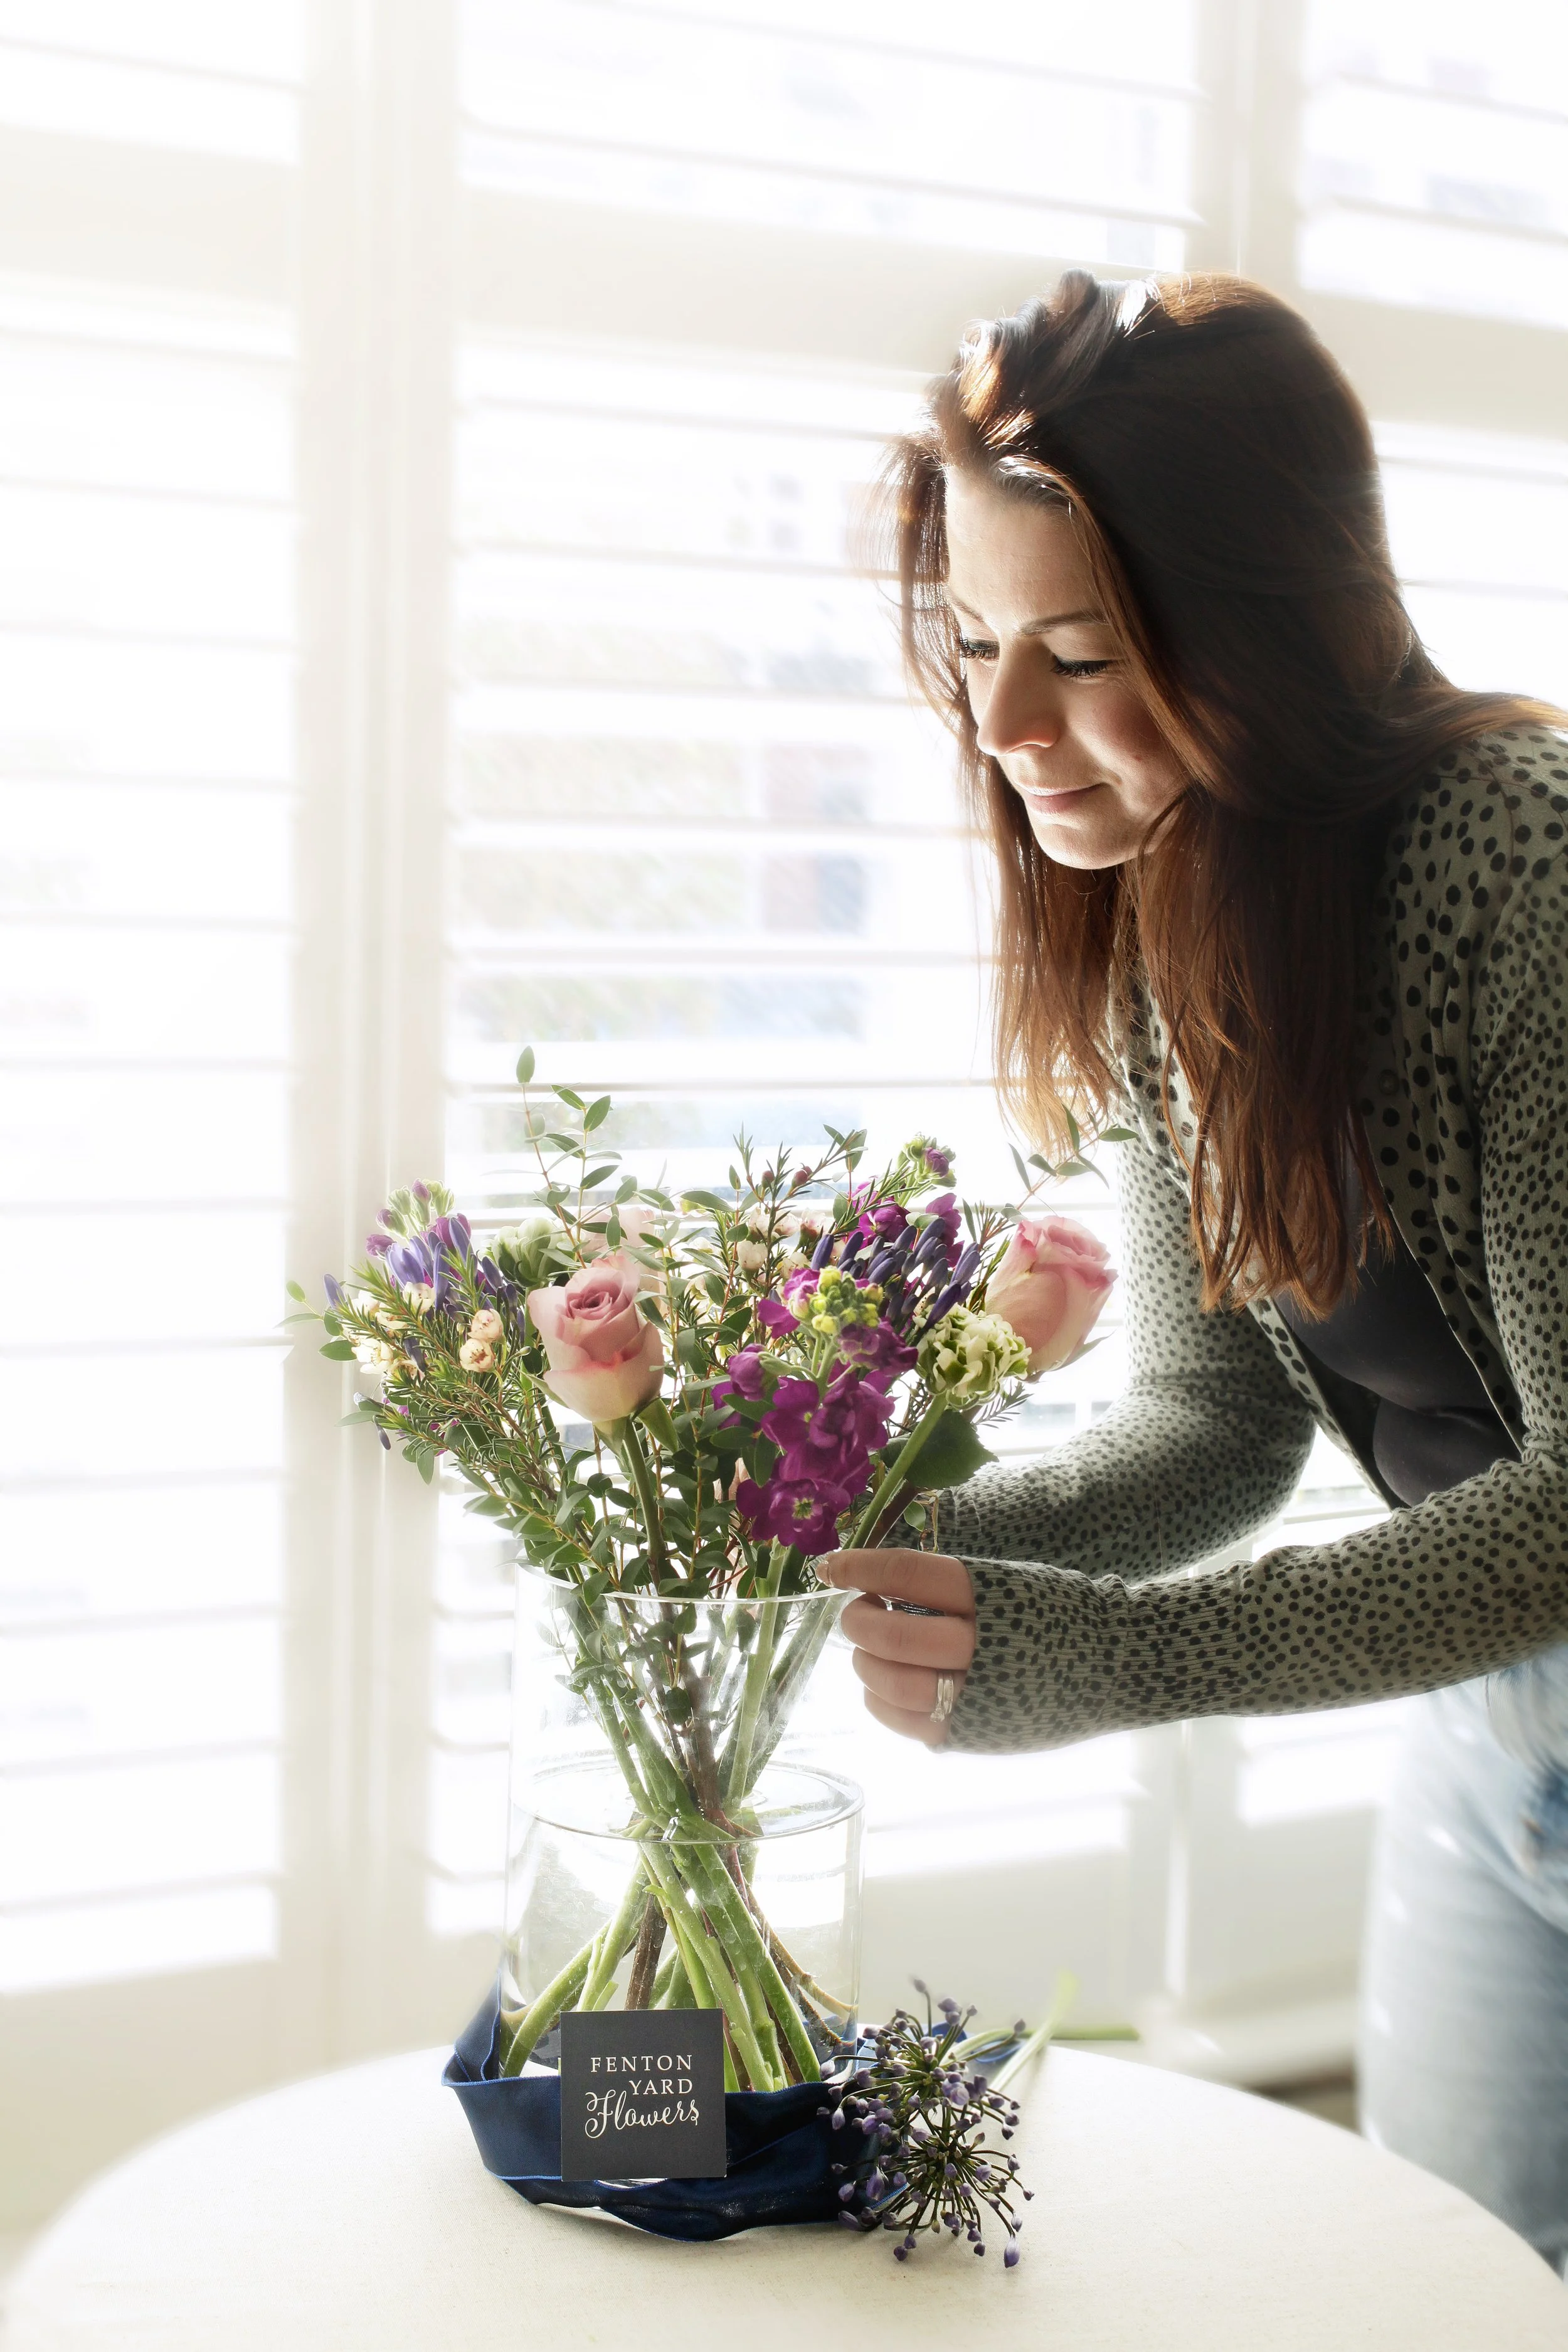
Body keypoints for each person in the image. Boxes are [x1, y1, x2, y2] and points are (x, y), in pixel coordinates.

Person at [823, 270, 1568, 2266]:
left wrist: (1120, 1659)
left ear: (1265, 631)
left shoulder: (1528, 871)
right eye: (976, 645)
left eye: (1075, 651)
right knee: (1462, 2285)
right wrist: (879, 1528)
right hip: (1499, 1727)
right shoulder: (1165, 912)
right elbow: (1212, 1418)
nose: (999, 724)